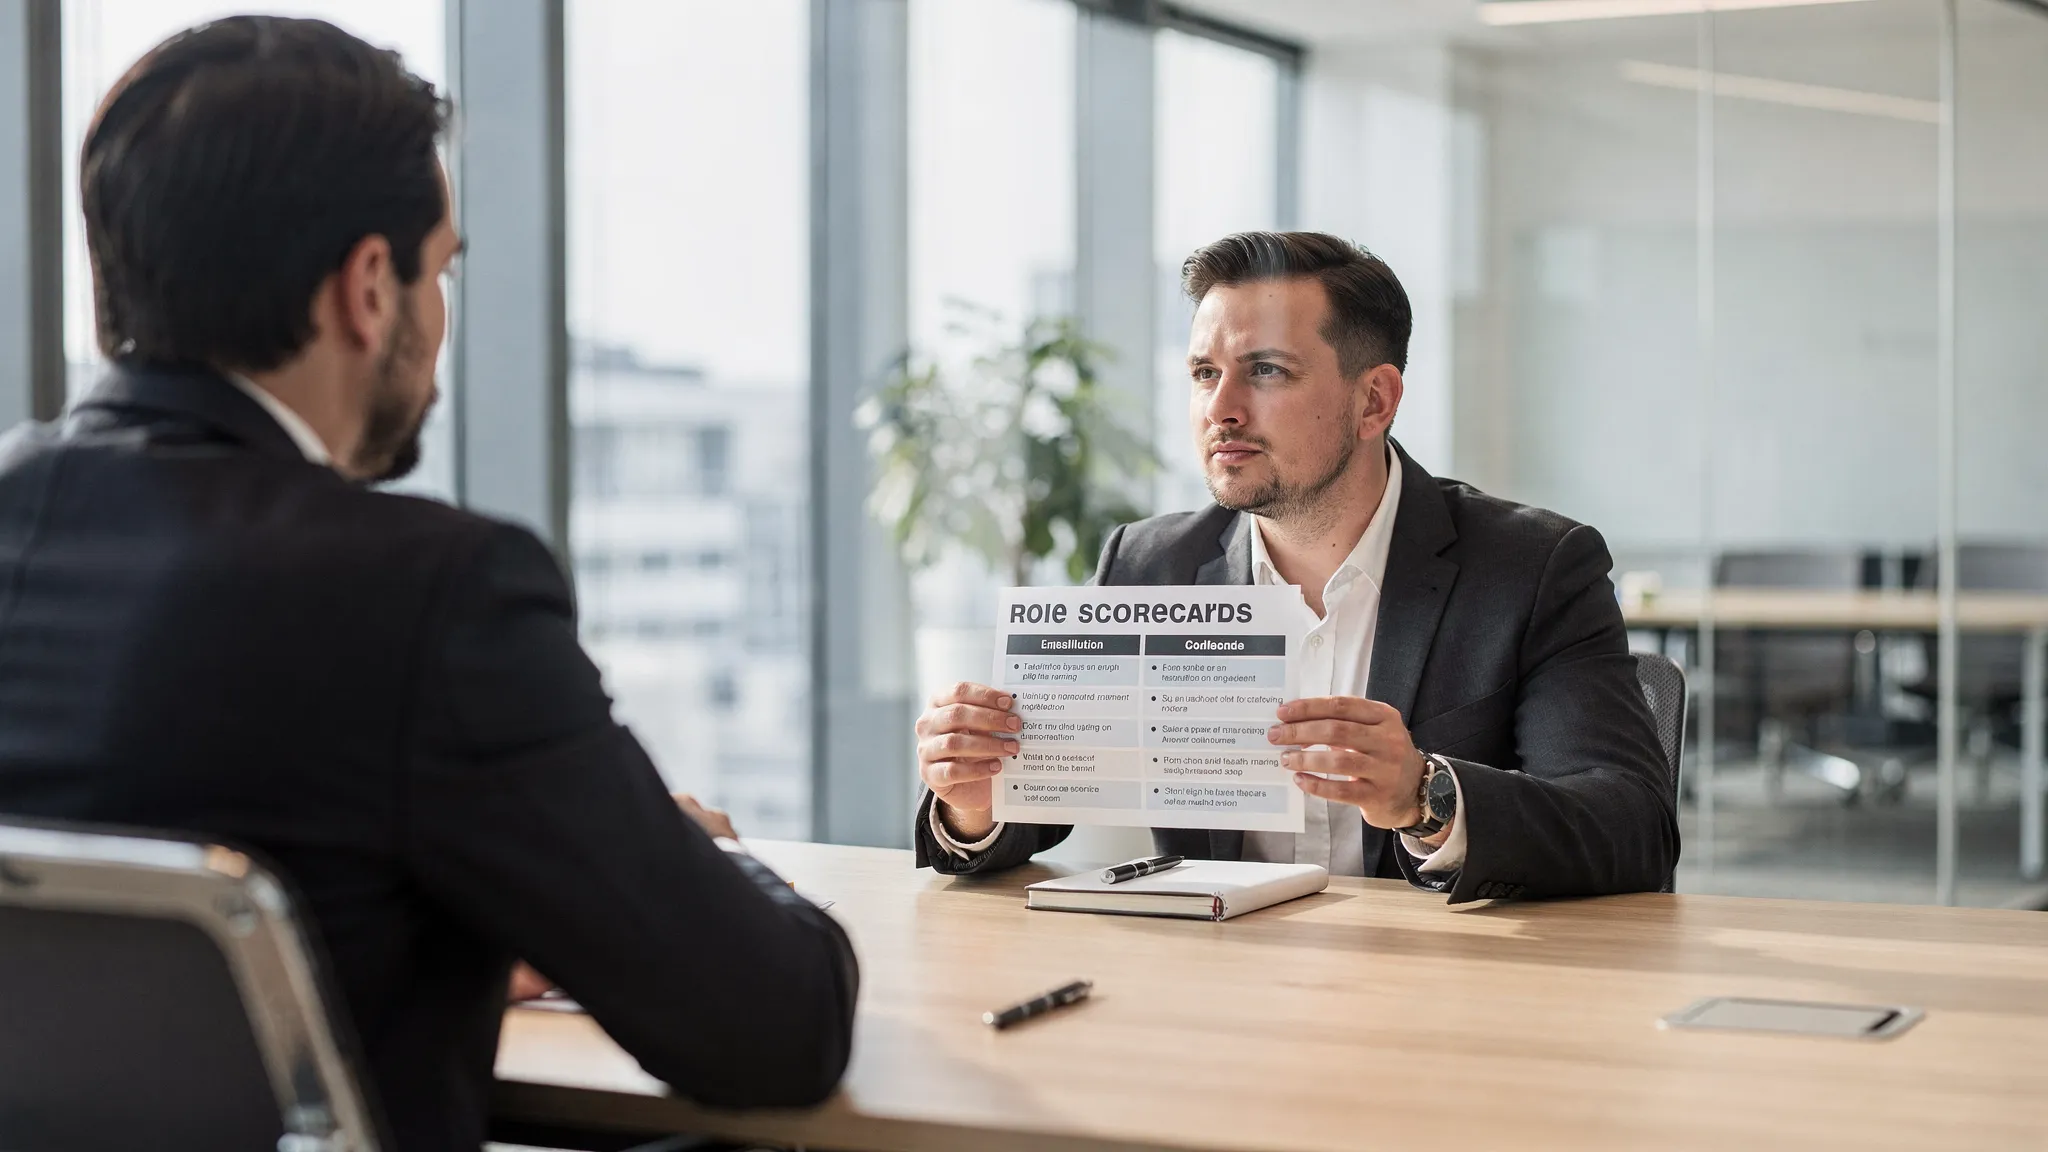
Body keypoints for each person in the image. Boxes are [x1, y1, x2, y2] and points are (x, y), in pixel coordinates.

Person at [0, 17, 855, 1150]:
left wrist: (425, 929)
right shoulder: (429, 590)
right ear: (368, 287)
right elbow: (775, 1028)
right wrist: (700, 860)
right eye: (441, 271)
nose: (442, 318)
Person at [914, 231, 1678, 901]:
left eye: (1267, 371)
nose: (1222, 408)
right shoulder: (1148, 565)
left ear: (1375, 401)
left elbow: (1631, 826)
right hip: (1222, 995)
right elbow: (1032, 805)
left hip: (1443, 1002)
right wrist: (975, 805)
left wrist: (1426, 794)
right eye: (1204, 373)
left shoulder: (1533, 567)